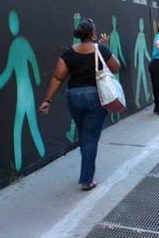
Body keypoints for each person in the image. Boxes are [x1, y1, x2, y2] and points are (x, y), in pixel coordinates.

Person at [39, 18, 120, 191]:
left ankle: (86, 171)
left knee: (84, 134)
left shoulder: (68, 52)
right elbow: (116, 67)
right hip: (95, 96)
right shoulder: (101, 49)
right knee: (90, 138)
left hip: (74, 97)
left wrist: (47, 100)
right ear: (92, 34)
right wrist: (106, 48)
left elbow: (58, 77)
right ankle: (87, 179)